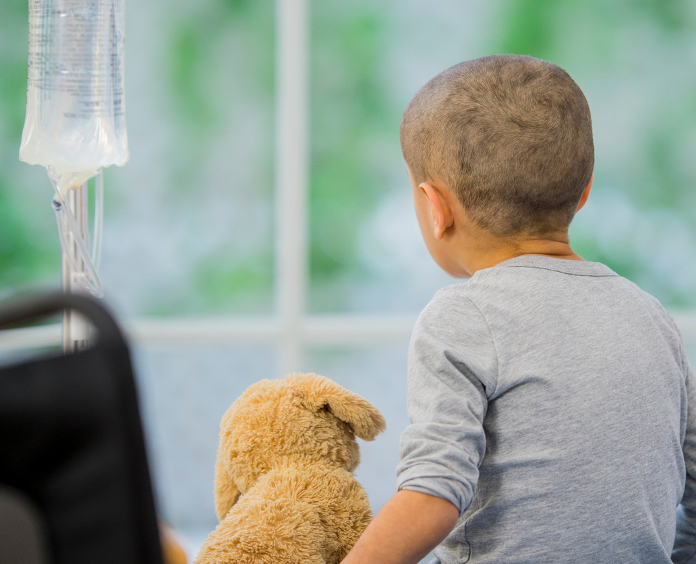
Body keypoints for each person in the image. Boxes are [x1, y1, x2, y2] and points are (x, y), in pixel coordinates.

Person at [340, 54, 696, 564]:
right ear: (585, 192)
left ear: (435, 208)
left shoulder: (461, 319)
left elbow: (432, 495)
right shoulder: (650, 315)